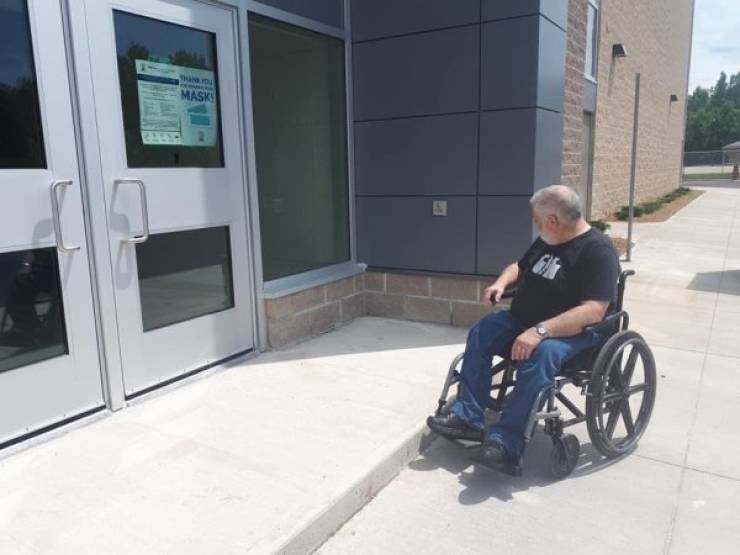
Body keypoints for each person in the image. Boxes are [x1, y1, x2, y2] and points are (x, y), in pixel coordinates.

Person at [427, 185, 620, 475]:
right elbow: (520, 267)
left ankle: (507, 444)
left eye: (538, 220)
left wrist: (541, 331)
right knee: (485, 330)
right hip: (525, 321)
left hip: (575, 334)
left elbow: (594, 309)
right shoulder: (548, 239)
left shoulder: (598, 251)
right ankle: (469, 417)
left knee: (541, 354)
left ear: (553, 220)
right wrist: (501, 283)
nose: (535, 224)